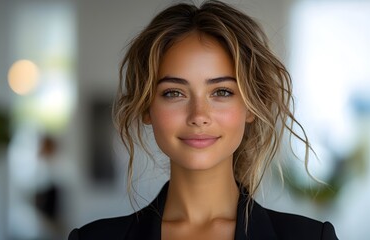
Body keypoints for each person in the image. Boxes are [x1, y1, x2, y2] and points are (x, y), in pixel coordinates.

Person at [69, 1, 338, 239]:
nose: (198, 116)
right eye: (174, 93)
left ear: (251, 107)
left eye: (222, 92)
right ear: (146, 108)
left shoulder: (313, 236)